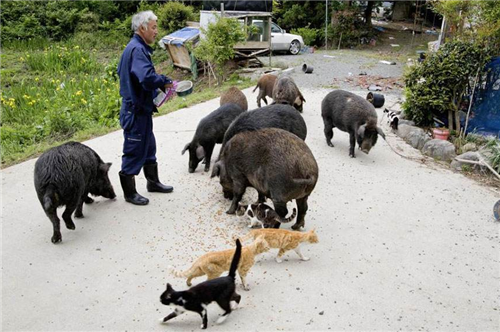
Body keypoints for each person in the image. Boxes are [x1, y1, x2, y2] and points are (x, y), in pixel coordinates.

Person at [117, 10, 174, 206]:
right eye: (154, 27)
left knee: (148, 147)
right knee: (134, 149)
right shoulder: (137, 50)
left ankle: (153, 182)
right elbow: (147, 77)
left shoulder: (135, 48)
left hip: (142, 110)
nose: (156, 31)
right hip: (135, 111)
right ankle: (130, 193)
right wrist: (164, 82)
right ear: (142, 28)